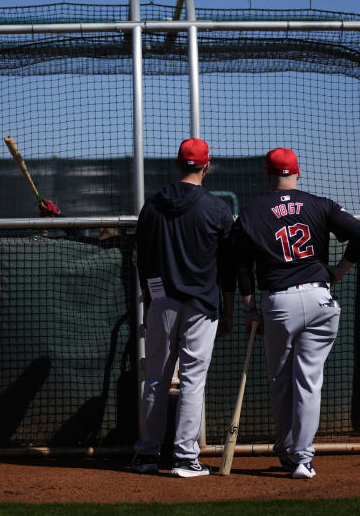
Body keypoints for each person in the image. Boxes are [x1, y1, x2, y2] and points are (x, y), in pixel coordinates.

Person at [232, 148, 360, 479]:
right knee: (309, 381)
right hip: (320, 298)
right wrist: (340, 269)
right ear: (298, 173)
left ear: (268, 175)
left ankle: (284, 447)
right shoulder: (320, 203)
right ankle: (303, 459)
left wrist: (250, 305)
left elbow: (239, 262)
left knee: (280, 381)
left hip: (279, 302)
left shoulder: (252, 211)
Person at [132, 138, 235, 477]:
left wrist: (151, 301)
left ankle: (147, 455)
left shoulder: (152, 205)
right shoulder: (217, 208)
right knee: (192, 381)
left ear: (178, 164)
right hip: (202, 305)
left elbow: (142, 261)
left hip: (161, 302)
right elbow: (228, 267)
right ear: (207, 165)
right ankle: (183, 458)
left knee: (156, 378)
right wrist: (230, 310)